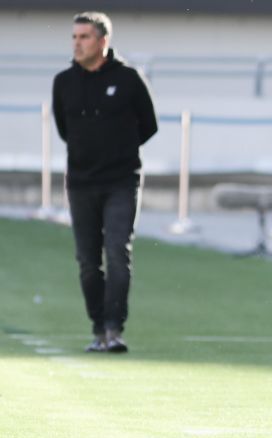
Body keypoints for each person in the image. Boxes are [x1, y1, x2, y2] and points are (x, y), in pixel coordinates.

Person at [52, 12, 158, 353]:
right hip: (81, 183)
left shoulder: (128, 79)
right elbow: (65, 130)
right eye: (74, 37)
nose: (77, 43)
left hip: (121, 182)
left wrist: (118, 151)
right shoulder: (63, 82)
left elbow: (149, 125)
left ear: (102, 41)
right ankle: (98, 328)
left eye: (84, 37)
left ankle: (115, 330)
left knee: (117, 252)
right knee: (87, 262)